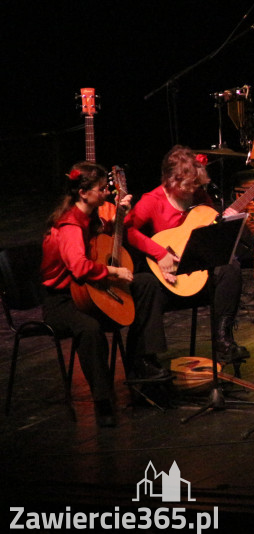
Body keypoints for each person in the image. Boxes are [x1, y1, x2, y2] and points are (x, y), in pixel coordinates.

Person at [39, 162, 167, 427]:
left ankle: (141, 362)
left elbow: (108, 240)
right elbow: (79, 266)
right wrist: (114, 272)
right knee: (89, 328)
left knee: (147, 283)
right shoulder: (69, 225)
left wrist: (122, 216)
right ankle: (102, 399)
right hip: (63, 299)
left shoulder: (92, 217)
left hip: (91, 290)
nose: (107, 193)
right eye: (101, 189)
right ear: (84, 193)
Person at [126, 146, 248, 364]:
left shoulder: (199, 196)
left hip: (197, 274)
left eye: (196, 183)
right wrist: (159, 253)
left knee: (230, 269)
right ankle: (147, 361)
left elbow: (210, 231)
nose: (194, 189)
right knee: (147, 287)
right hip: (169, 281)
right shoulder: (152, 200)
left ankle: (223, 339)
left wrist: (226, 222)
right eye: (188, 184)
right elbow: (129, 231)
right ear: (171, 180)